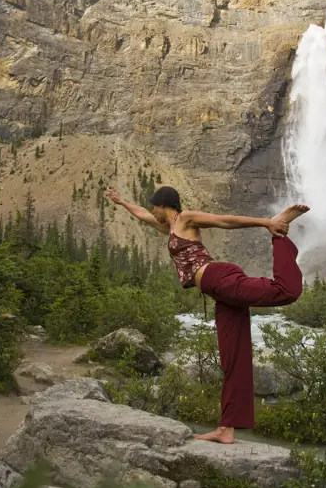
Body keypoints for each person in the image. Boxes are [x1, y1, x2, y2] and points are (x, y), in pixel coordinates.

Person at [105, 185, 309, 444]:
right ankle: (227, 428)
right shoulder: (168, 228)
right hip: (218, 292)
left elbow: (223, 221)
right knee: (233, 358)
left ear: (162, 205)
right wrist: (121, 202)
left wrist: (267, 223)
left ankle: (280, 236)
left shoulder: (186, 218)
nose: (150, 211)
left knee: (286, 291)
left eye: (152, 206)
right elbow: (141, 216)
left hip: (218, 277)